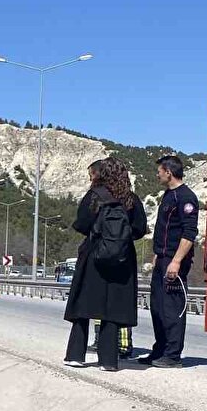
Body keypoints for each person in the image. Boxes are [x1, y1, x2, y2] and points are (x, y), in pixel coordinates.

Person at [63, 158, 149, 371]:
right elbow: (140, 229)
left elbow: (81, 224)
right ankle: (109, 360)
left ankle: (76, 355)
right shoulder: (131, 199)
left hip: (94, 256)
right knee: (112, 310)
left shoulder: (94, 197)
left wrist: (99, 234)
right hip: (122, 260)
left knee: (83, 307)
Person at [139, 155, 199, 368]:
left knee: (172, 308)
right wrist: (158, 255)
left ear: (169, 172)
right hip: (162, 258)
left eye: (160, 171)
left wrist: (176, 262)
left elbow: (189, 234)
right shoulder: (168, 195)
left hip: (175, 261)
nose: (157, 174)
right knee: (157, 307)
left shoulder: (186, 197)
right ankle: (160, 350)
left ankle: (173, 355)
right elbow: (164, 231)